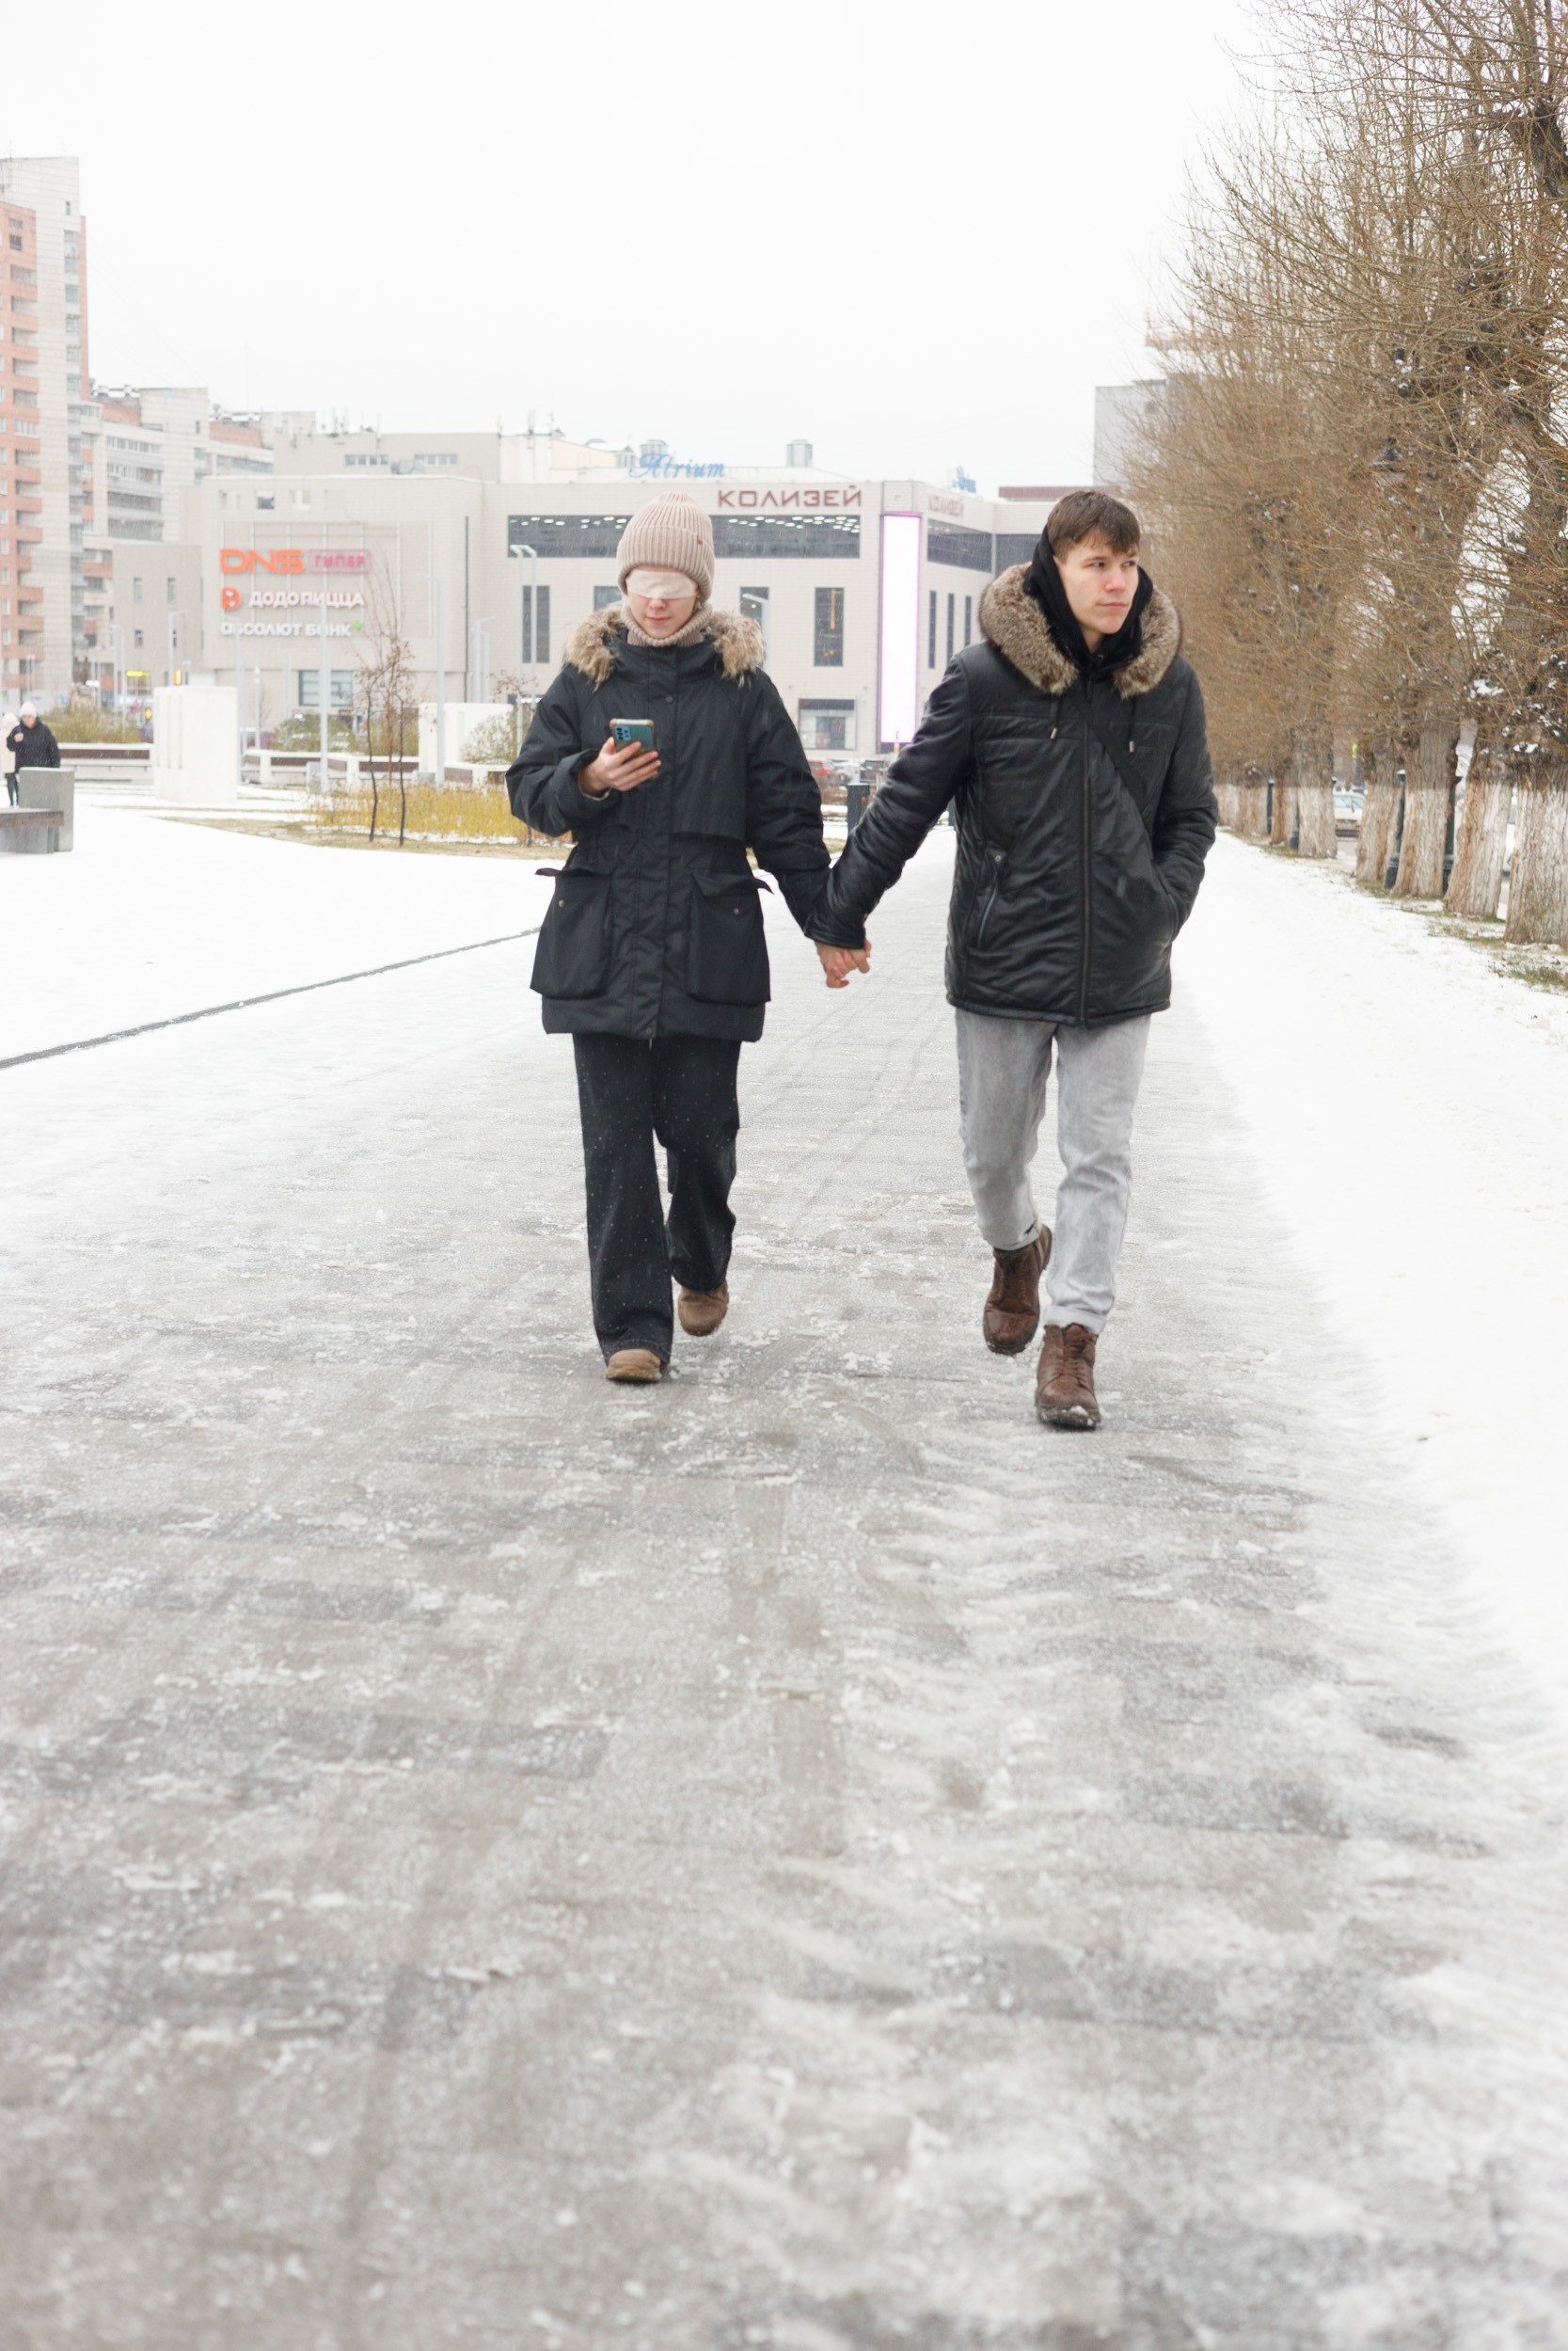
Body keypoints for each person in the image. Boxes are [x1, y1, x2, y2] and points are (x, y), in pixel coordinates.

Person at [811, 491, 1217, 1429]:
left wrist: (1160, 908)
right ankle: (1013, 1250)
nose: (1114, 582)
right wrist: (840, 914)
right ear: (1053, 568)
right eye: (1092, 564)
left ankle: (1071, 1339)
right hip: (1000, 959)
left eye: (1124, 563)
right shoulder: (982, 679)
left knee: (1098, 1155)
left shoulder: (1168, 682)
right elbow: (906, 802)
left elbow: (1190, 816)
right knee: (992, 1154)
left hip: (1118, 968)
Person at [508, 493, 857, 1385]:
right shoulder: (583, 682)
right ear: (621, 586)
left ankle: (700, 1258)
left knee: (701, 1136)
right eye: (639, 583)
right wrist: (586, 777)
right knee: (615, 1146)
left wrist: (828, 926)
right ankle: (632, 1327)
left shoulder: (743, 689)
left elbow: (785, 818)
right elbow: (528, 790)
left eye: (671, 583)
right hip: (602, 936)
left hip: (710, 936)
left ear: (699, 589)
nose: (654, 600)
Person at [7, 701, 61, 786]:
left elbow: (53, 749)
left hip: (43, 770)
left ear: (35, 717)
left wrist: (55, 768)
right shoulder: (18, 730)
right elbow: (10, 746)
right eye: (24, 717)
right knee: (23, 797)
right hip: (24, 771)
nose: (27, 719)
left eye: (29, 716)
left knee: (41, 796)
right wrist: (13, 740)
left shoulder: (44, 730)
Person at [1, 713, 17, 806]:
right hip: (15, 761)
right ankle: (18, 799)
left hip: (6, 762)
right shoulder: (16, 733)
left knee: (9, 782)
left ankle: (11, 801)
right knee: (16, 781)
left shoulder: (1, 734)